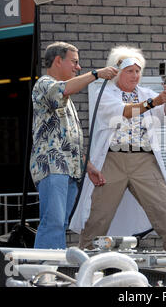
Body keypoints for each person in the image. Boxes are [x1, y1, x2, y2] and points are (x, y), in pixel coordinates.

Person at [69, 45, 166, 257]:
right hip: (112, 159)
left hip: (144, 159)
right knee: (98, 215)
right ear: (117, 72)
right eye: (129, 70)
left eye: (138, 70)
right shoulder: (104, 93)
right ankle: (84, 259)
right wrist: (156, 101)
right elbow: (125, 112)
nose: (135, 75)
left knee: (165, 210)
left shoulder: (145, 93)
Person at [30, 41, 118, 249]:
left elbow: (70, 140)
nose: (78, 67)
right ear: (58, 60)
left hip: (68, 170)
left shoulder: (66, 98)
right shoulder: (44, 83)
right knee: (53, 222)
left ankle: (52, 268)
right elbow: (63, 89)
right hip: (53, 167)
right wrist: (96, 74)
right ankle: (45, 272)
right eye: (75, 62)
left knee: (60, 223)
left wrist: (88, 167)